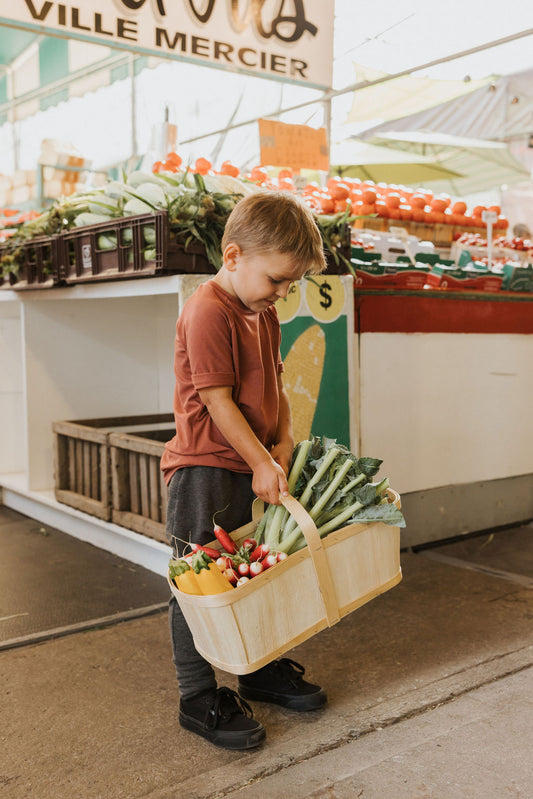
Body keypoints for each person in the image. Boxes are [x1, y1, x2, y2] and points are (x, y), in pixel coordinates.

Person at [161, 189, 327, 750]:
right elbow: (218, 400)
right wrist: (258, 459)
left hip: (251, 462)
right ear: (232, 257)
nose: (283, 292)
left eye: (290, 283)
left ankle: (256, 670)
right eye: (277, 279)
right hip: (205, 467)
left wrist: (282, 439)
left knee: (256, 571)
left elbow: (275, 382)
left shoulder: (264, 311)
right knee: (200, 582)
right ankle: (197, 694)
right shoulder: (208, 309)